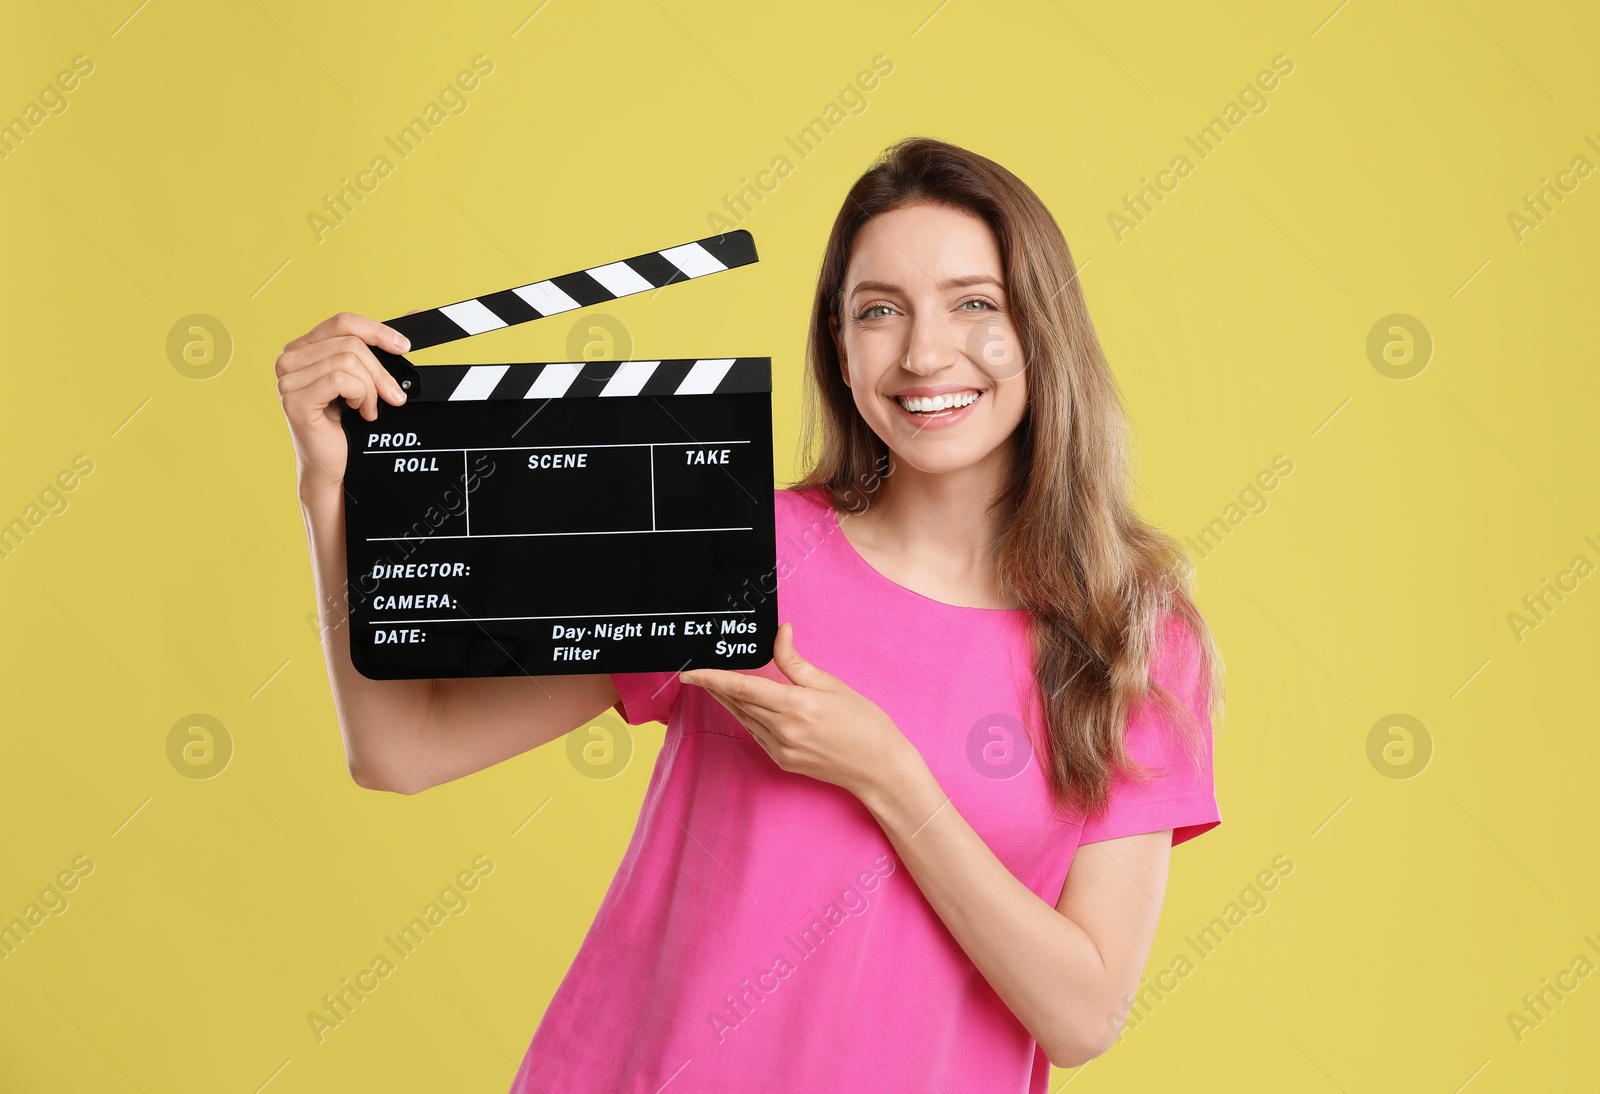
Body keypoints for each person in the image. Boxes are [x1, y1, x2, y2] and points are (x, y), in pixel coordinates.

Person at [275, 135, 1223, 1093]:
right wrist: (330, 494)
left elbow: (1083, 1015)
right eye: (878, 311)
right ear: (840, 349)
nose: (925, 352)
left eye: (976, 304)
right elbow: (403, 748)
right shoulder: (728, 547)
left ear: (1041, 331)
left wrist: (887, 773)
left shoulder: (1129, 630)